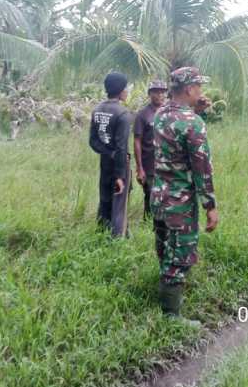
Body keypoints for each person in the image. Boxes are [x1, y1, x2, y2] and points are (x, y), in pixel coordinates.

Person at [151, 66, 219, 321]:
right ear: (190, 89)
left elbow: (175, 127)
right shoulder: (193, 124)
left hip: (159, 198)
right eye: (198, 87)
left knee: (165, 249)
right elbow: (202, 170)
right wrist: (210, 206)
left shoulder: (159, 114)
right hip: (180, 203)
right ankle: (171, 316)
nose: (201, 91)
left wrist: (194, 110)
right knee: (179, 257)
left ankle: (166, 293)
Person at [89, 71, 132, 238]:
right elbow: (122, 147)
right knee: (120, 204)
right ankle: (118, 239)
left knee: (105, 199)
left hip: (105, 162)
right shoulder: (122, 113)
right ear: (120, 90)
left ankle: (100, 234)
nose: (127, 91)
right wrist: (120, 175)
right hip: (120, 164)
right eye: (126, 88)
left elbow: (93, 141)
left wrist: (109, 153)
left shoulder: (97, 109)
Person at [133, 80, 168, 220]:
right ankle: (147, 222)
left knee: (167, 195)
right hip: (149, 164)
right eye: (156, 91)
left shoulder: (169, 112)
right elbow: (137, 141)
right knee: (150, 194)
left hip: (168, 163)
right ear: (149, 94)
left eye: (162, 91)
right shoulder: (143, 115)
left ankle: (163, 222)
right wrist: (139, 168)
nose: (159, 94)